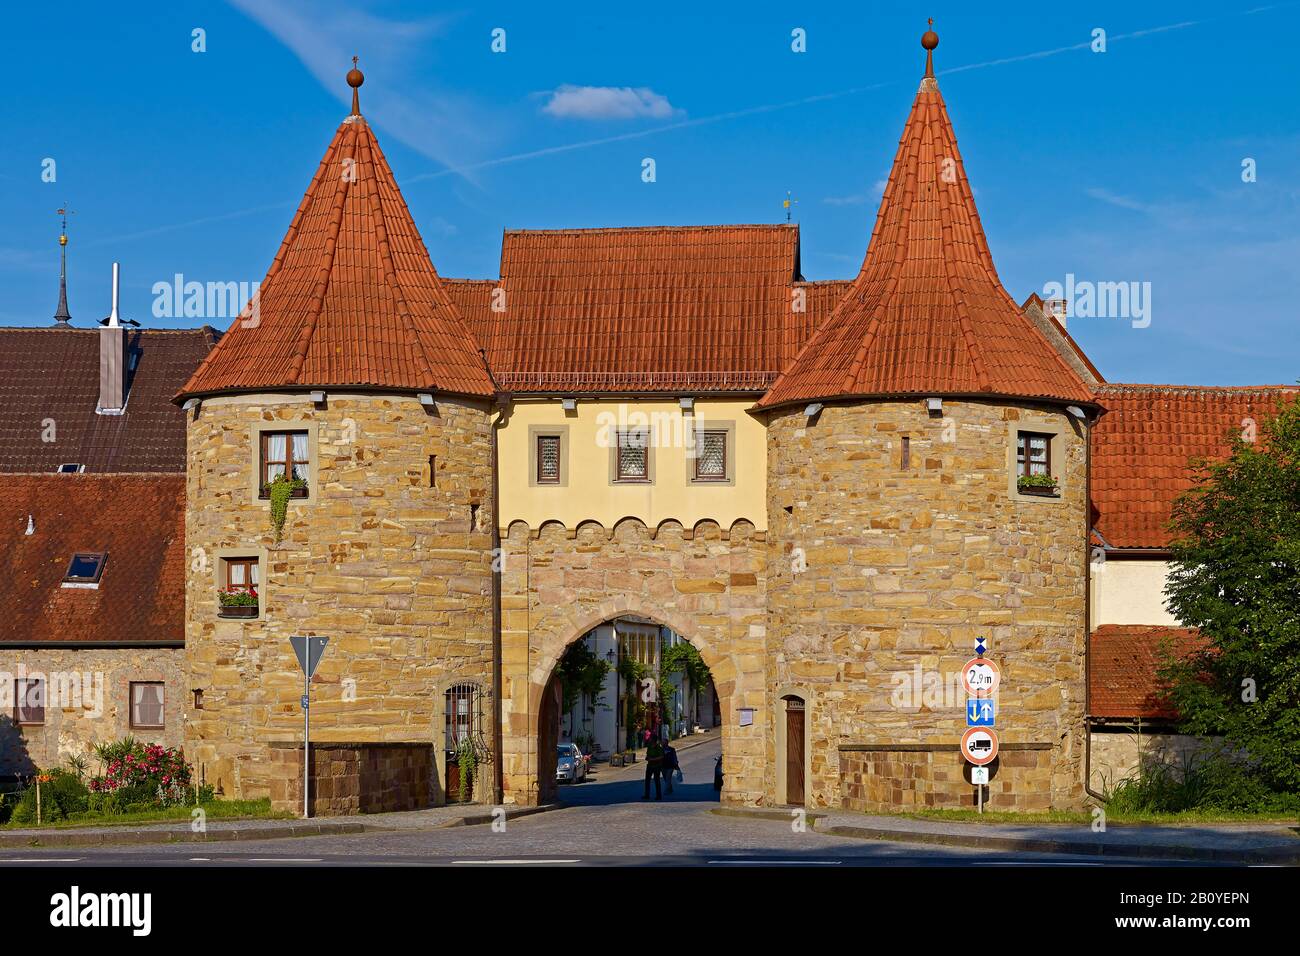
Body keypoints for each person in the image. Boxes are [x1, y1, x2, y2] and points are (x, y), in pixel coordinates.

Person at [642, 736, 665, 800]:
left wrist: (653, 759)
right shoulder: (649, 747)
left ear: (654, 741)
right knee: (647, 781)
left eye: (650, 739)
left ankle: (658, 795)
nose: (649, 740)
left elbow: (661, 756)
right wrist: (647, 758)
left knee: (657, 780)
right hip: (649, 765)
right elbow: (648, 754)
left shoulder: (658, 748)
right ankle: (647, 795)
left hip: (657, 766)